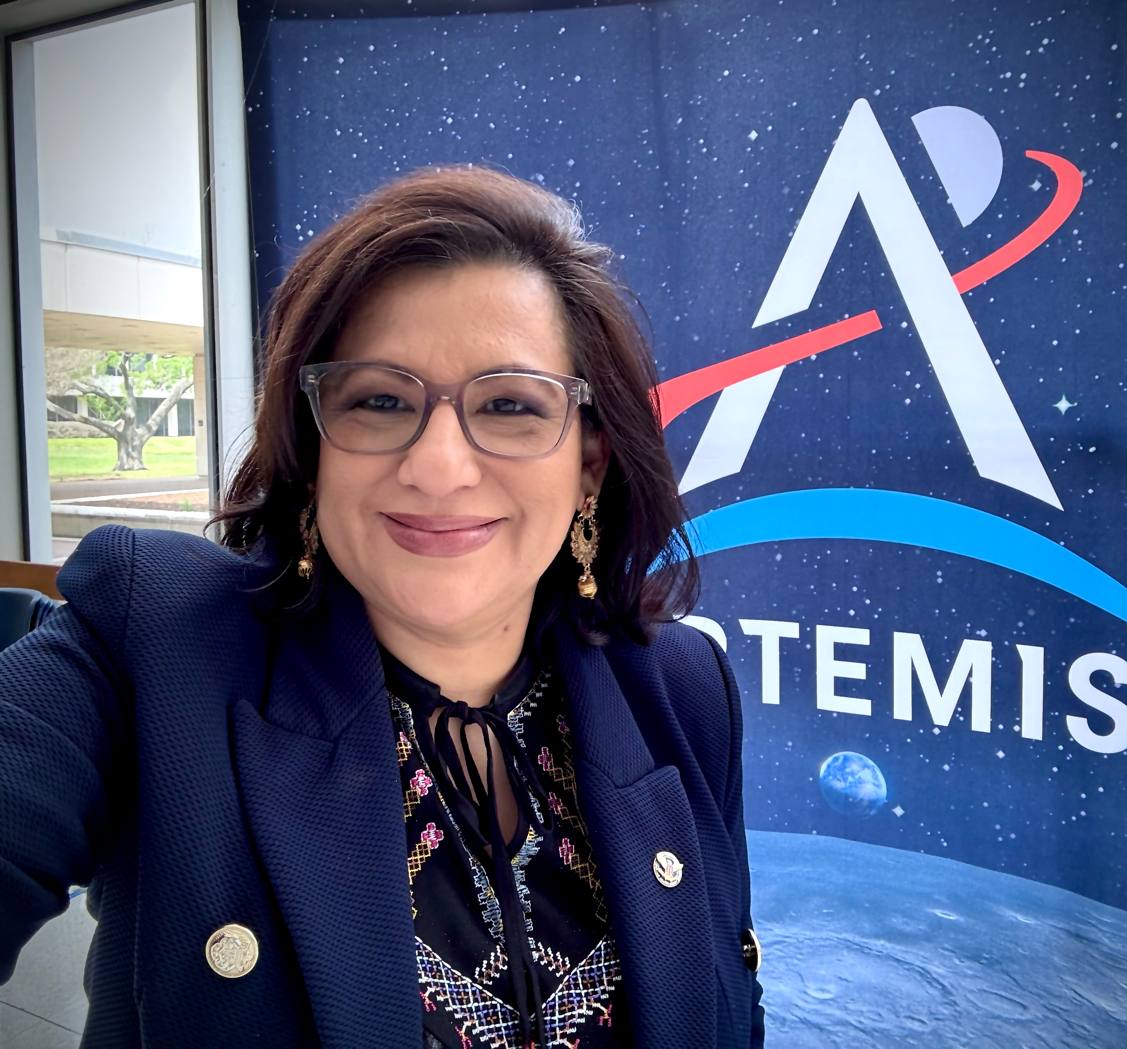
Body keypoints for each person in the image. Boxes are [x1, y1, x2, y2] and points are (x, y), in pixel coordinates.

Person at [0, 165, 764, 1048]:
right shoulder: (152, 644)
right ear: (313, 440)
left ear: (589, 461)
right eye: (379, 400)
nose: (439, 465)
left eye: (511, 404)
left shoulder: (685, 690)